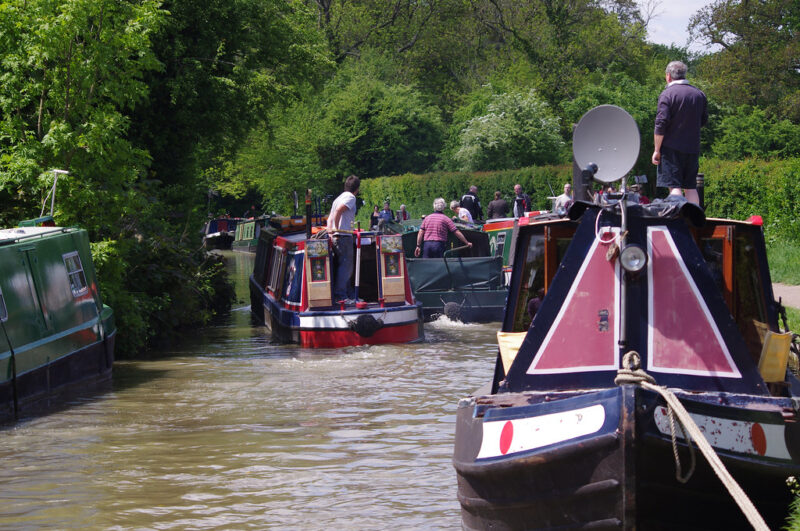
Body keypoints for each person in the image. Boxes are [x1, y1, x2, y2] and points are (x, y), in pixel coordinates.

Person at [652, 60, 708, 205]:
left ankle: (678, 221)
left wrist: (657, 150)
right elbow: (703, 121)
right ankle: (694, 222)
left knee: (674, 187)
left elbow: (660, 124)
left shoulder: (667, 94)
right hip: (692, 148)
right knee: (691, 187)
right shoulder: (699, 94)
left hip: (671, 149)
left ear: (668, 76)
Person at [327, 175, 360, 302]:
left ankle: (350, 295)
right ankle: (341, 296)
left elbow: (330, 217)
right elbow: (338, 212)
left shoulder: (338, 198)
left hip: (336, 237)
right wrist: (336, 228)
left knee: (343, 266)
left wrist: (331, 233)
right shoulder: (351, 197)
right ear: (357, 189)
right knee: (346, 266)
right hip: (343, 236)